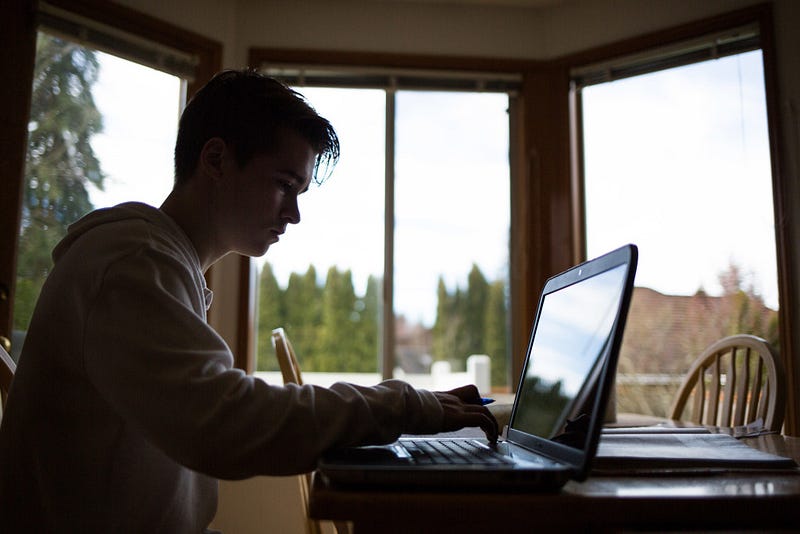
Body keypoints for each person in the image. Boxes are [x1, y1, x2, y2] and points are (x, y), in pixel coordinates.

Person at [0, 69, 497, 532]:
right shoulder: (134, 262)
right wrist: (404, 405)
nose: (295, 215)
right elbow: (225, 424)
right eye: (284, 185)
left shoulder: (156, 261)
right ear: (216, 159)